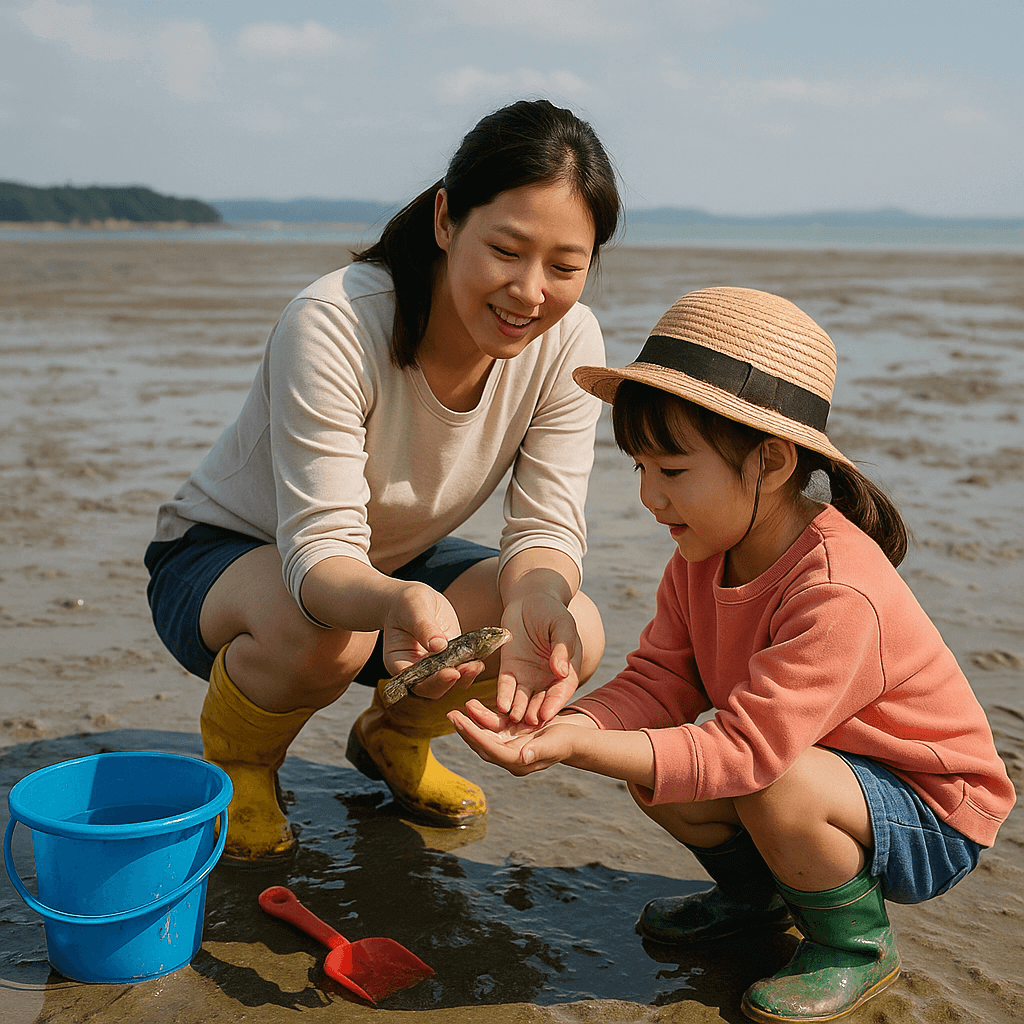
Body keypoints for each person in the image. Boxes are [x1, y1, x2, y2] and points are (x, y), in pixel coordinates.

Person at [449, 287, 1016, 1023]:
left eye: (674, 471)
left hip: (930, 809)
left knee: (763, 780)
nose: (650, 497)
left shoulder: (838, 588)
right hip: (818, 769)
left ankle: (856, 946)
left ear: (773, 461)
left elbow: (749, 752)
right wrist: (580, 728)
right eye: (638, 468)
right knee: (656, 765)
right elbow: (659, 683)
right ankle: (759, 898)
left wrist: (584, 751)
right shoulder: (699, 557)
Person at [144, 98, 621, 866]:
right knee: (327, 632)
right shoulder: (336, 320)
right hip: (228, 561)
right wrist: (397, 599)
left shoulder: (570, 341)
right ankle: (241, 762)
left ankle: (394, 737)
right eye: (507, 250)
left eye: (565, 266)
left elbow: (546, 528)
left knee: (570, 623)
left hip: (389, 572)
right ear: (445, 220)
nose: (532, 292)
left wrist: (537, 597)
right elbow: (322, 549)